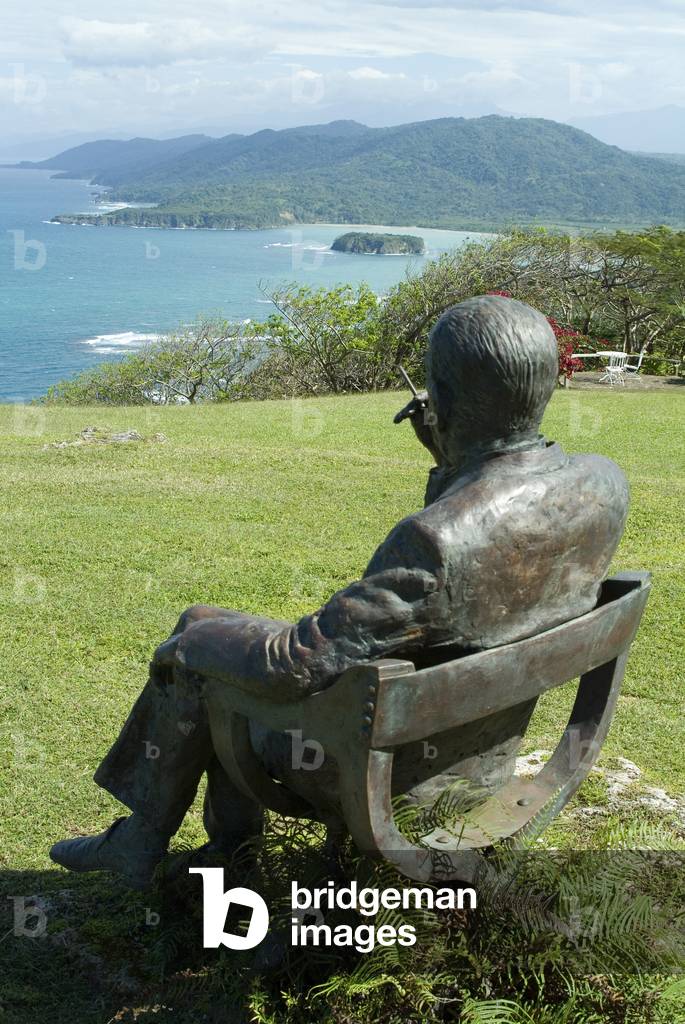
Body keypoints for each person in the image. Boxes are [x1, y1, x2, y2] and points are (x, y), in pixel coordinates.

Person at [50, 295, 629, 889]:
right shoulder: (602, 485)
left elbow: (297, 662)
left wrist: (192, 648)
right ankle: (206, 848)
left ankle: (160, 841)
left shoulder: (431, 541)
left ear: (448, 399)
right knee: (201, 620)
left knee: (203, 654)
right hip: (475, 746)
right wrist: (452, 461)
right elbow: (491, 554)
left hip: (389, 771)